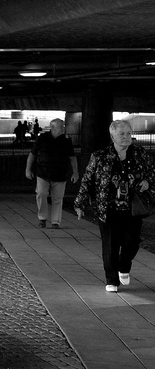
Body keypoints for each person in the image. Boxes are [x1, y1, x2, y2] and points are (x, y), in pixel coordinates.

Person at [75, 120, 155, 293]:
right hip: (108, 209)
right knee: (110, 245)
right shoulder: (100, 156)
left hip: (133, 208)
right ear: (112, 136)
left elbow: (151, 173)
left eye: (128, 133)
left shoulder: (140, 153)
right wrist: (80, 203)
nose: (126, 137)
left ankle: (124, 266)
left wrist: (147, 182)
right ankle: (111, 279)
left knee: (131, 243)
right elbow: (87, 180)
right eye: (122, 134)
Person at [25, 119, 78, 228]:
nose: (63, 128)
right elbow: (32, 154)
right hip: (43, 173)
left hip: (60, 174)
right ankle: (42, 218)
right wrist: (28, 169)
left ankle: (55, 222)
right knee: (41, 194)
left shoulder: (66, 140)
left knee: (57, 198)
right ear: (53, 127)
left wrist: (75, 172)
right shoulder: (42, 138)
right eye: (61, 126)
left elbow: (72, 157)